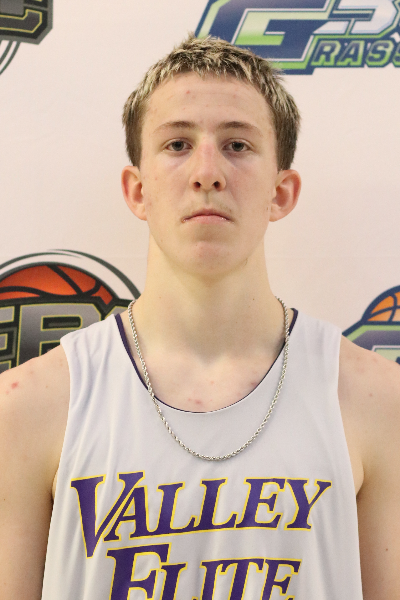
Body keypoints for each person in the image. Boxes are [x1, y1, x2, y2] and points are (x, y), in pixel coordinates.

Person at [1, 34, 399, 600]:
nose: (207, 172)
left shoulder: (376, 401)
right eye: (177, 144)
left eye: (237, 145)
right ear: (137, 191)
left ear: (281, 193)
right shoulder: (29, 408)